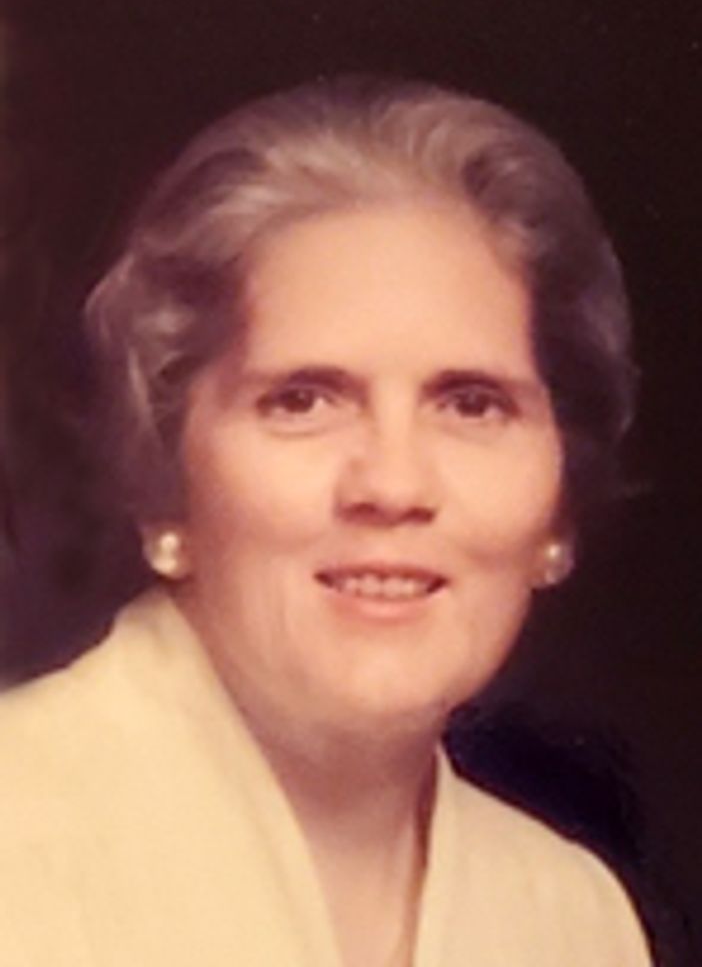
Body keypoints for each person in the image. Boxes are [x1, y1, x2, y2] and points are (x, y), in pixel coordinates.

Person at [0, 77, 652, 966]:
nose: (392, 483)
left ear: (557, 507)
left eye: (471, 404)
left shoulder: (573, 919)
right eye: (303, 401)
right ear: (165, 477)